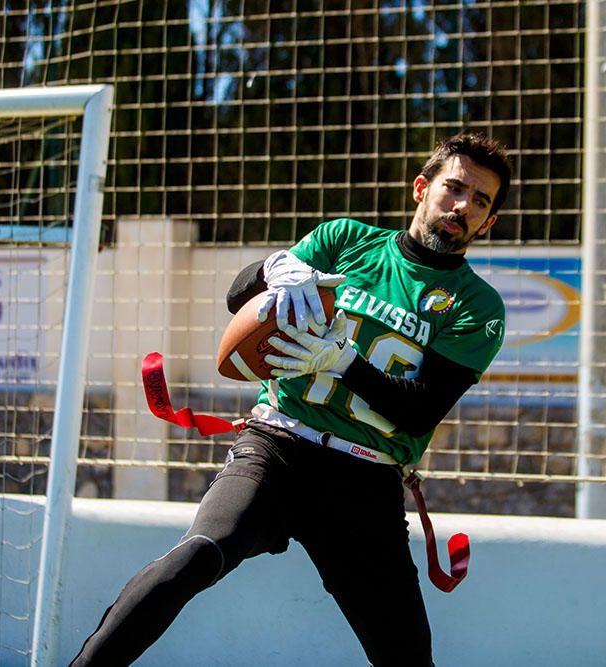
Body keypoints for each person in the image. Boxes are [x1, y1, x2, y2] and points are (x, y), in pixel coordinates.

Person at [71, 132, 511, 666]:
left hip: (363, 478)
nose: (462, 206)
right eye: (454, 188)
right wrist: (271, 269)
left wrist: (342, 362)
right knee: (198, 555)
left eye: (480, 201)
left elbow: (419, 408)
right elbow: (240, 299)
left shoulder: (477, 305)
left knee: (407, 655)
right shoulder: (345, 240)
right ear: (422, 189)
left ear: (488, 222)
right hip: (277, 445)